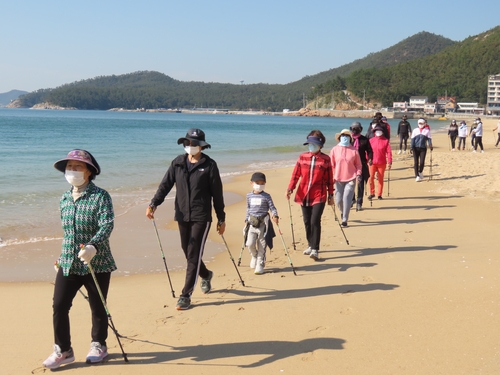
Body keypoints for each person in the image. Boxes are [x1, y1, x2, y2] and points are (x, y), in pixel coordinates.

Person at [43, 150, 116, 369]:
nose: (72, 171)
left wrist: (93, 245)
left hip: (98, 262)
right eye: (70, 167)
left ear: (89, 171)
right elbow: (69, 232)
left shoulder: (101, 196)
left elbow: (107, 224)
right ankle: (63, 350)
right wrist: (62, 255)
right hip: (68, 262)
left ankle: (99, 345)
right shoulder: (64, 198)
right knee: (59, 305)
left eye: (78, 167)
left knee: (98, 306)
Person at [146, 128, 226, 311]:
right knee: (188, 251)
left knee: (193, 253)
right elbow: (165, 184)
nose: (190, 146)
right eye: (188, 143)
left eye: (194, 144)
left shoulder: (210, 165)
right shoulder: (178, 163)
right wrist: (153, 204)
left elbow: (217, 194)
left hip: (201, 216)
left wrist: (221, 219)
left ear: (202, 146)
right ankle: (206, 275)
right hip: (182, 213)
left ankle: (185, 295)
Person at [287, 130, 334, 261]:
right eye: (309, 144)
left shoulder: (326, 159)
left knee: (315, 221)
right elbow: (295, 175)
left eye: (313, 144)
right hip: (304, 194)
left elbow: (330, 179)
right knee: (307, 221)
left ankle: (315, 249)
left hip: (319, 194)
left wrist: (331, 195)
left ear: (320, 145)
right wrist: (290, 188)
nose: (311, 146)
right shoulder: (302, 157)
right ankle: (310, 244)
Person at [244, 172, 279, 275]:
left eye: (262, 183)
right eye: (257, 183)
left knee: (262, 245)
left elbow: (272, 208)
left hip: (264, 224)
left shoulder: (267, 196)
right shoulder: (249, 196)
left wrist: (275, 215)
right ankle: (254, 256)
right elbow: (248, 209)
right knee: (249, 243)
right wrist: (246, 219)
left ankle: (260, 263)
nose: (259, 185)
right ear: (251, 183)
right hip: (251, 223)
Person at [330, 129, 362, 227]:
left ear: (350, 138)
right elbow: (331, 165)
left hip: (351, 178)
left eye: (347, 135)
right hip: (338, 178)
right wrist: (331, 177)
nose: (345, 137)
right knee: (339, 200)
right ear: (339, 138)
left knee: (347, 198)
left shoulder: (354, 150)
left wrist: (358, 174)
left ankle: (345, 219)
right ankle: (343, 211)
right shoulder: (334, 150)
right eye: (343, 135)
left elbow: (358, 165)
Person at [350, 121, 373, 211]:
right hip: (350, 165)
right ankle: (352, 199)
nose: (355, 130)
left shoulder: (364, 139)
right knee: (350, 183)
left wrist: (370, 158)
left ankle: (359, 202)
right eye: (354, 128)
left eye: (357, 128)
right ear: (351, 129)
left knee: (360, 184)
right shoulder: (349, 140)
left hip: (362, 164)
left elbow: (370, 150)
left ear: (361, 129)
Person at [368, 125, 392, 199]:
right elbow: (368, 151)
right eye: (377, 130)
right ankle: (372, 193)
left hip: (382, 163)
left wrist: (390, 162)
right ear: (374, 132)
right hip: (372, 162)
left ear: (382, 132)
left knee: (380, 179)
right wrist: (367, 159)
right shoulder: (371, 140)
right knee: (371, 178)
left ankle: (379, 194)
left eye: (380, 130)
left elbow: (389, 152)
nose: (378, 132)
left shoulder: (386, 141)